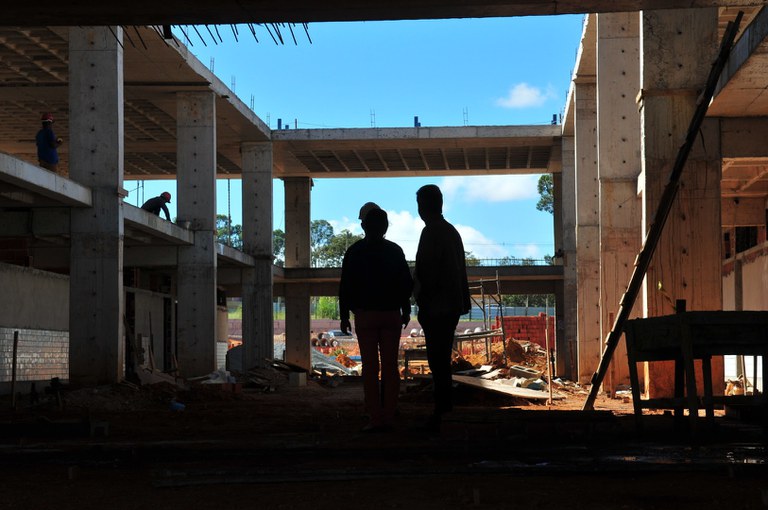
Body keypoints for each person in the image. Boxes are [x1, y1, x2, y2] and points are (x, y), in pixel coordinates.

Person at [339, 205, 413, 432]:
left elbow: (346, 287)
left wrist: (344, 316)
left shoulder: (354, 251)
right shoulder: (395, 251)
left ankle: (374, 416)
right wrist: (405, 310)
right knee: (390, 367)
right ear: (386, 228)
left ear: (363, 226)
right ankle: (389, 414)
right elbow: (405, 284)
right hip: (391, 315)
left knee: (370, 368)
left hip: (365, 316)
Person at [413, 184, 470, 432]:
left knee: (437, 360)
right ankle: (444, 408)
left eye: (420, 204)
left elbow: (427, 272)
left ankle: (442, 410)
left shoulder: (431, 233)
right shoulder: (451, 232)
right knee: (442, 359)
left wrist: (421, 299)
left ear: (424, 206)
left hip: (437, 307)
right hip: (450, 306)